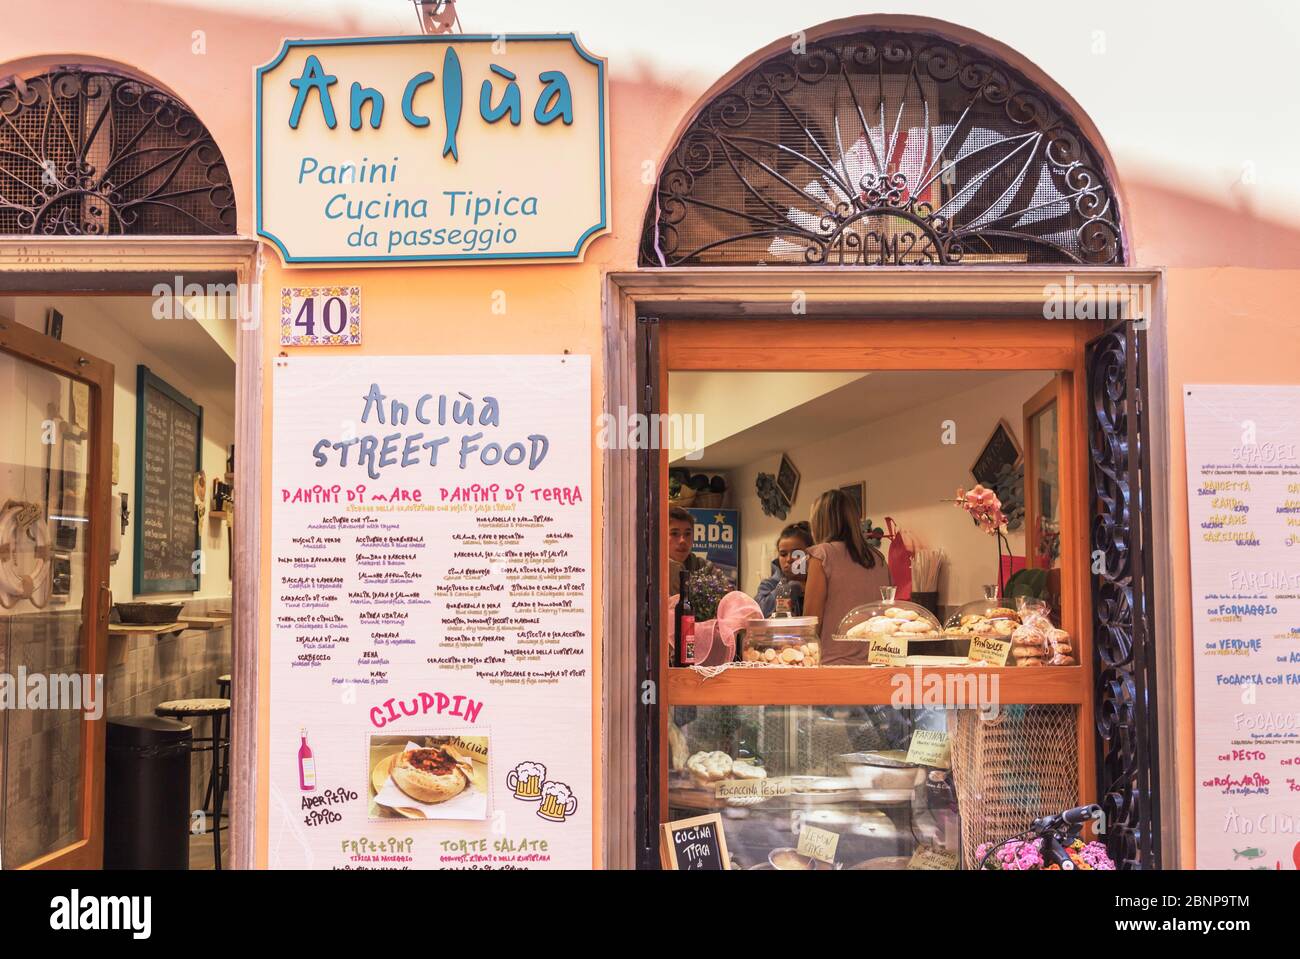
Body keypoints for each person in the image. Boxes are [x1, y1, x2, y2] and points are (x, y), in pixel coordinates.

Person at [803, 489, 891, 665]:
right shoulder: (878, 558)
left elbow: (811, 623)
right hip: (879, 662)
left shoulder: (822, 555)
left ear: (820, 522)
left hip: (833, 664)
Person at [755, 521, 813, 616]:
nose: (789, 559)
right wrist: (792, 588)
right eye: (783, 554)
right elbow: (759, 613)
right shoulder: (768, 585)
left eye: (796, 554)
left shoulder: (819, 584)